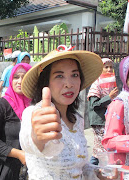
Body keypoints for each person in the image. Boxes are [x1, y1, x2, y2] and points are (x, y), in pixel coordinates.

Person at [19, 46, 113, 179]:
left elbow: (80, 166)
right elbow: (31, 143)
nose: (69, 84)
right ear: (46, 82)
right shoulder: (33, 114)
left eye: (75, 75)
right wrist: (37, 137)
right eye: (59, 76)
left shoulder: (77, 119)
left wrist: (98, 174)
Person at [0, 63, 32, 180]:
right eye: (16, 77)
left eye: (25, 77)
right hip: (4, 168)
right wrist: (18, 154)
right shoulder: (1, 105)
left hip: (30, 169)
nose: (20, 81)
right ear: (10, 79)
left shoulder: (34, 106)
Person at [87, 58, 119, 165]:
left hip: (110, 120)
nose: (109, 69)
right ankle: (92, 169)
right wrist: (109, 97)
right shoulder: (96, 84)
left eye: (111, 67)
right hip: (99, 121)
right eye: (106, 67)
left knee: (105, 147)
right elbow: (94, 104)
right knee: (99, 148)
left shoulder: (112, 84)